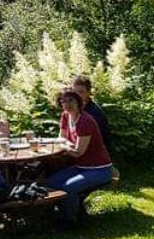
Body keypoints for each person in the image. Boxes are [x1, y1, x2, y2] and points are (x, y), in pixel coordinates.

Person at [43, 88, 114, 225]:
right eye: (64, 101)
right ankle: (54, 214)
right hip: (80, 167)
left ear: (78, 102)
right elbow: (61, 137)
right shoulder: (65, 116)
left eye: (71, 100)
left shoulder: (85, 121)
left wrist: (63, 146)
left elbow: (78, 152)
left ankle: (70, 221)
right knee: (49, 183)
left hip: (99, 169)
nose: (67, 104)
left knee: (68, 187)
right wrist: (63, 144)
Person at [71, 74, 113, 152]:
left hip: (93, 156)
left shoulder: (95, 113)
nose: (76, 96)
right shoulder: (70, 111)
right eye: (74, 92)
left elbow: (102, 142)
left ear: (88, 92)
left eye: (81, 92)